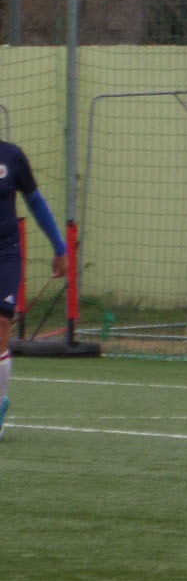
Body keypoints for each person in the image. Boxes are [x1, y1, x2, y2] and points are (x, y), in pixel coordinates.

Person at [0, 140, 67, 443]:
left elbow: (35, 201)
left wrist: (60, 248)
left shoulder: (11, 156)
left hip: (5, 253)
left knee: (1, 323)